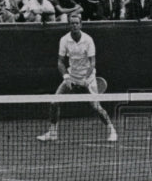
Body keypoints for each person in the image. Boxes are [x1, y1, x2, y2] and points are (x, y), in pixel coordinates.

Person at [36, 13, 118, 143]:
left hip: (88, 77)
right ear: (69, 25)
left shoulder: (88, 40)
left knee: (96, 107)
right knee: (54, 103)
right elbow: (60, 62)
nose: (74, 25)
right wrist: (66, 77)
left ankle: (112, 131)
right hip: (72, 76)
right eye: (72, 23)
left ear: (81, 25)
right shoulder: (64, 40)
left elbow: (92, 63)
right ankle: (52, 133)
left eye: (76, 23)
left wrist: (86, 79)